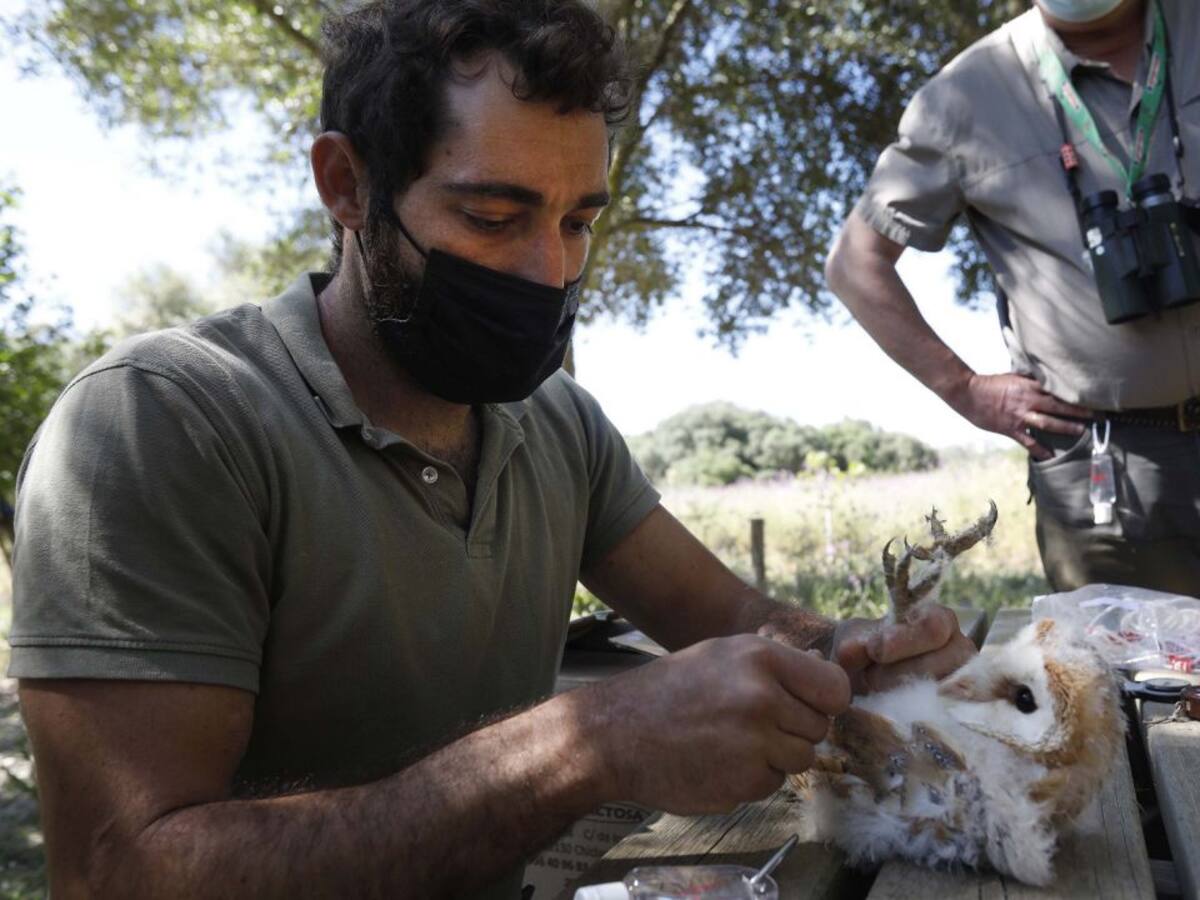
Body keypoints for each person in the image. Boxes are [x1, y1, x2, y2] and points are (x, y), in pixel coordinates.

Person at [9, 2, 974, 897]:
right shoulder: (164, 424)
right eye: (492, 217)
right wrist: (579, 746)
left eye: (579, 221)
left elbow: (730, 615)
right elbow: (119, 871)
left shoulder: (559, 425)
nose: (548, 271)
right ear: (347, 186)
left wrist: (850, 655)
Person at [826, 0, 1200, 596]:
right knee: (1120, 680)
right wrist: (966, 389)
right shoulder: (964, 96)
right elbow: (854, 264)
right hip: (1107, 469)